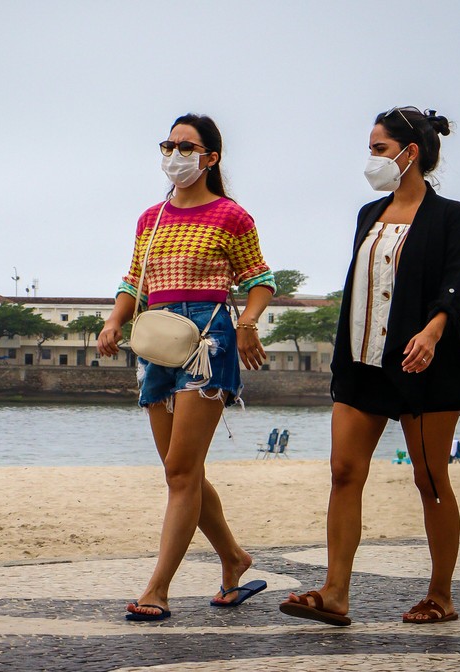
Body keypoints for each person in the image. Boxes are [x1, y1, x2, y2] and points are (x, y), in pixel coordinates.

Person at [279, 106, 460, 627]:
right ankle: (334, 593)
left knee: (429, 478)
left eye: (379, 149)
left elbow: (457, 283)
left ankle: (440, 595)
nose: (371, 159)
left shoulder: (453, 216)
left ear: (409, 152)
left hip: (425, 363)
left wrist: (432, 331)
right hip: (361, 362)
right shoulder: (368, 214)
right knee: (344, 472)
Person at [96, 113, 276, 622]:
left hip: (207, 341)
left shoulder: (231, 216)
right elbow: (134, 280)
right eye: (168, 145)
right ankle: (233, 558)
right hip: (156, 339)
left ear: (211, 158)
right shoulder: (150, 219)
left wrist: (249, 322)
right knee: (182, 471)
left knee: (180, 470)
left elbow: (260, 279)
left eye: (187, 147)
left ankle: (158, 589)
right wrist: (114, 320)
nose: (175, 155)